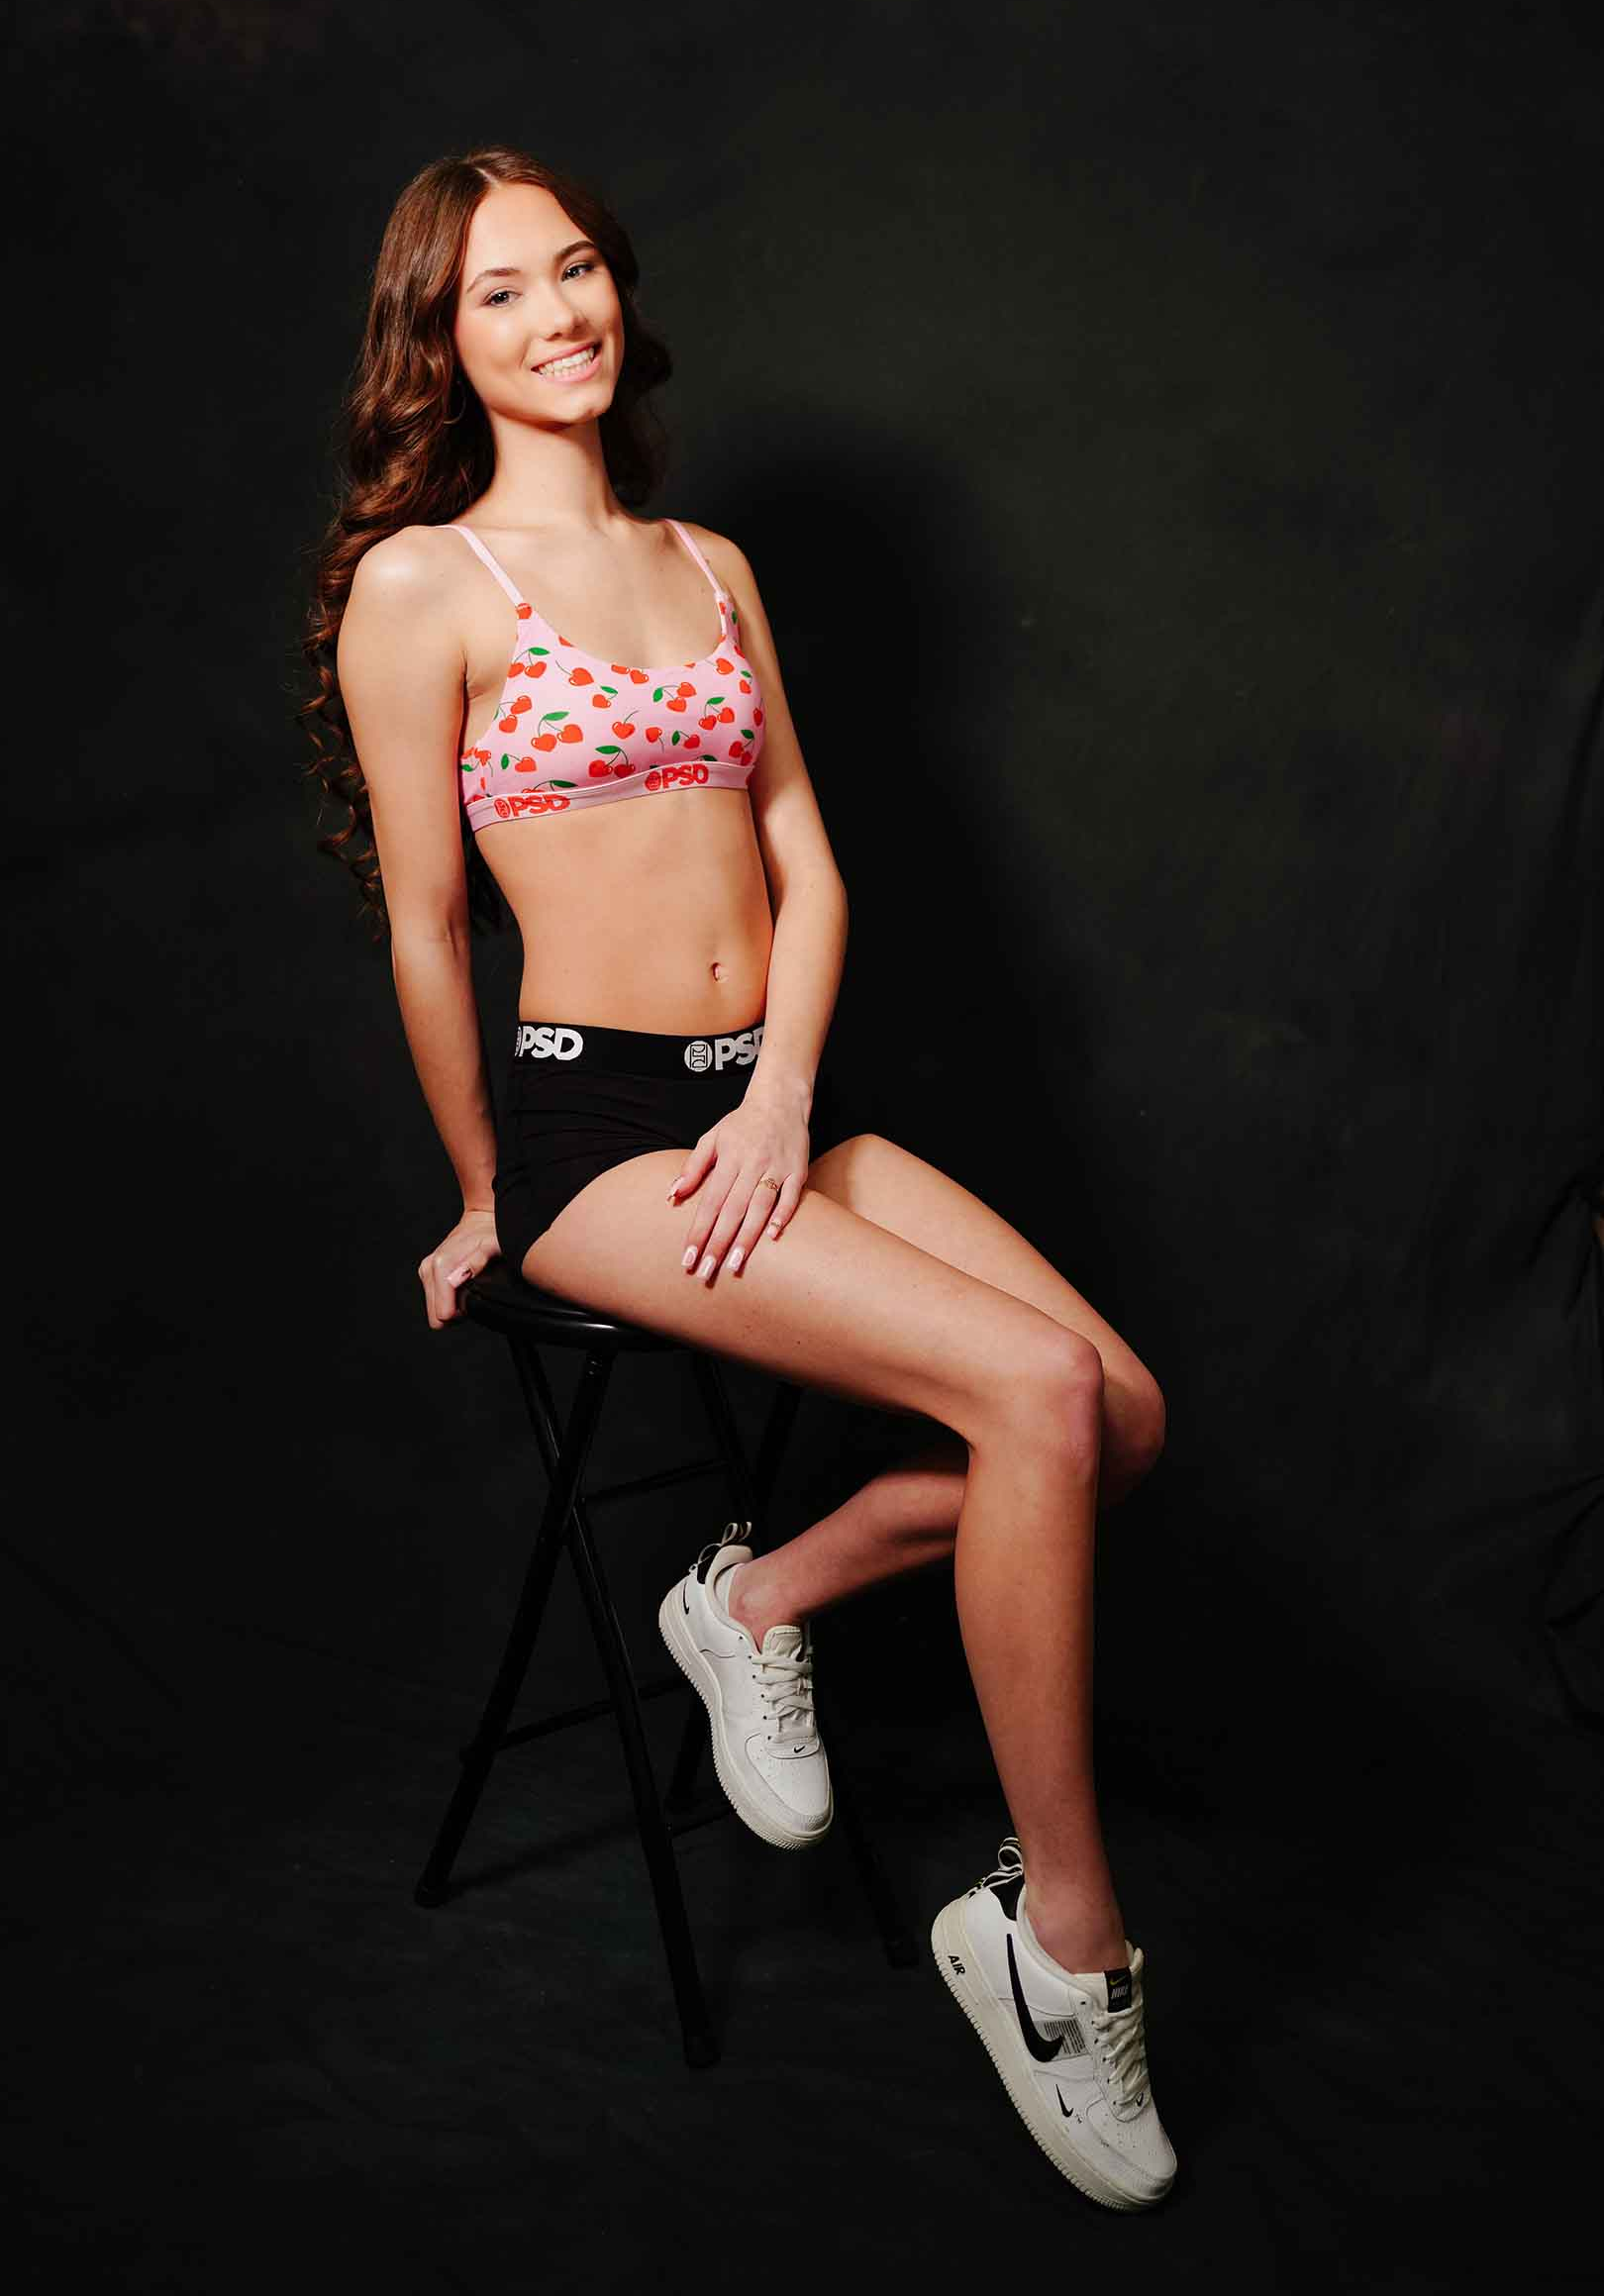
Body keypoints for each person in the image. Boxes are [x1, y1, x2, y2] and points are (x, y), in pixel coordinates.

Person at [300, 146, 1176, 2210]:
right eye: (500, 293)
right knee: (1037, 1395)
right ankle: (1062, 1950)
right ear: (439, 340)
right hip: (597, 1136)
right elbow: (426, 930)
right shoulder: (425, 587)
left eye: (575, 268)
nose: (557, 315)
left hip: (755, 1105)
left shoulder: (709, 563)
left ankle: (752, 1593)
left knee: (1120, 1418)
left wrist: (782, 1093)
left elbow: (807, 859)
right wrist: (484, 1193)